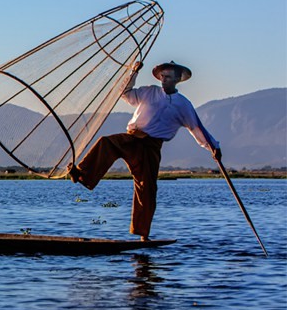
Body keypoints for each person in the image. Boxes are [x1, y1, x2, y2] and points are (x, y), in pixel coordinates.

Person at [67, 61, 221, 241]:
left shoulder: (183, 105)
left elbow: (197, 128)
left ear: (177, 79)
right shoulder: (150, 91)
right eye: (162, 76)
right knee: (106, 143)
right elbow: (126, 93)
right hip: (133, 137)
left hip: (151, 148)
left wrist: (213, 147)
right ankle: (82, 174)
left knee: (146, 188)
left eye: (168, 77)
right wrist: (133, 72)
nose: (164, 80)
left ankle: (143, 235)